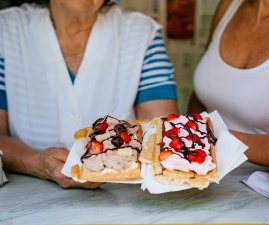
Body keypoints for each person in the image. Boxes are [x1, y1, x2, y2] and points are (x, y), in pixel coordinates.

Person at [0, 0, 179, 188]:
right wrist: (37, 163)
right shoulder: (6, 30)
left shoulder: (141, 33)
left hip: (121, 198)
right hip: (25, 199)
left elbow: (160, 134)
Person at [189, 0, 269, 167]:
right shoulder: (230, 5)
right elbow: (203, 90)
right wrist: (189, 137)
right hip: (201, 163)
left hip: (258, 181)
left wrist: (214, 138)